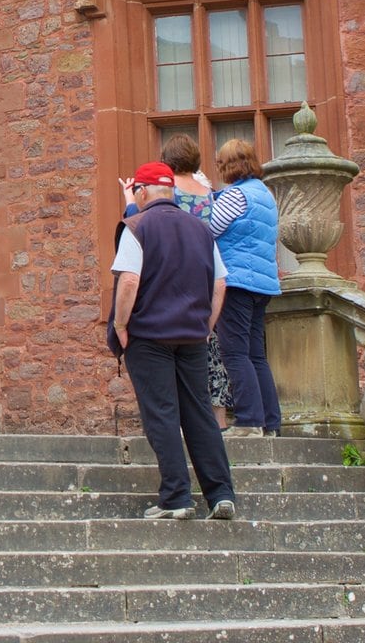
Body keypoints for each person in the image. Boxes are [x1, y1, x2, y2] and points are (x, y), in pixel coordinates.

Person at [106, 161, 236, 521]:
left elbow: (129, 282)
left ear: (141, 192)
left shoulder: (137, 226)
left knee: (162, 414)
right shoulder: (200, 229)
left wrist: (120, 325)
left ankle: (177, 497)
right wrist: (206, 326)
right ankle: (221, 494)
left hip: (148, 336)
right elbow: (220, 283)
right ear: (172, 192)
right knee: (200, 414)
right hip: (191, 336)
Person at [207, 138, 283, 436]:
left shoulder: (234, 196)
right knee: (255, 355)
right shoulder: (264, 194)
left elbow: (207, 229)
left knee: (234, 353)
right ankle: (270, 422)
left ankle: (250, 421)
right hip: (263, 284)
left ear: (227, 166)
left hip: (237, 281)